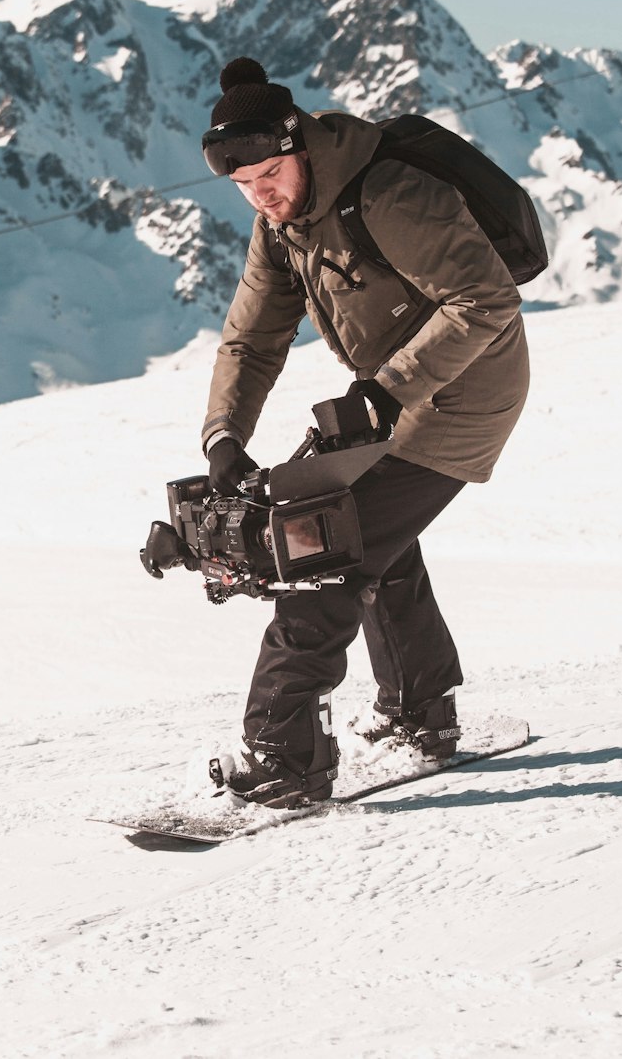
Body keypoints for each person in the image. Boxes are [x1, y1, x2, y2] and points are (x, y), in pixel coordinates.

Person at [199, 56, 530, 808]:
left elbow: (487, 299)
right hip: (389, 396)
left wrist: (386, 394)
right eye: (245, 187)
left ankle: (286, 758)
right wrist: (222, 436)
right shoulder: (279, 221)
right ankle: (422, 712)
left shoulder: (386, 192)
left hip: (465, 392)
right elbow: (251, 340)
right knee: (371, 535)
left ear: (302, 145)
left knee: (323, 548)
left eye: (271, 175)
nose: (262, 196)